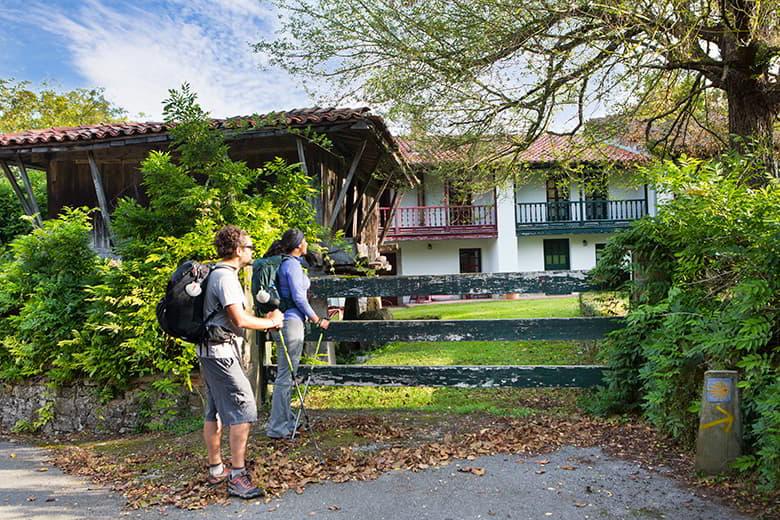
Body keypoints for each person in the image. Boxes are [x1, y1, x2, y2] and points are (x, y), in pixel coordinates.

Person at [199, 225, 284, 499]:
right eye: (249, 247)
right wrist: (271, 322)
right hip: (221, 354)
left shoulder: (215, 273)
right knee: (244, 408)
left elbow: (234, 316)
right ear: (237, 250)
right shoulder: (226, 278)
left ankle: (216, 469)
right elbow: (239, 319)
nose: (252, 252)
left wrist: (262, 320)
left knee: (214, 410)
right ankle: (237, 476)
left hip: (209, 351)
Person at [266, 228, 330, 439]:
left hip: (286, 321)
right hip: (291, 323)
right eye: (304, 241)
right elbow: (299, 298)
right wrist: (316, 319)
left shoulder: (287, 263)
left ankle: (286, 420)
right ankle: (278, 427)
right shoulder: (291, 265)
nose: (307, 243)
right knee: (286, 376)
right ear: (298, 246)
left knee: (286, 374)